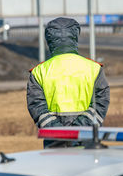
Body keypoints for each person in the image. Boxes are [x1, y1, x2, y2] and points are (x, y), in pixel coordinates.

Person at [27, 17, 110, 147]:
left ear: (49, 39)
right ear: (75, 36)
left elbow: (37, 106)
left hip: (54, 142)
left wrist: (60, 132)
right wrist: (78, 130)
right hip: (86, 138)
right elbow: (100, 102)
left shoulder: (39, 71)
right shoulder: (93, 68)